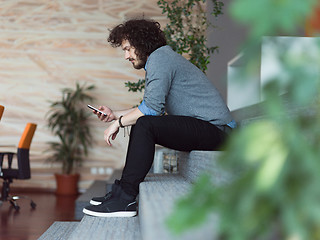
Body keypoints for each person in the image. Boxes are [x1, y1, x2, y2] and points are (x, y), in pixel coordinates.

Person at [83, 18, 236, 218]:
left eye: (128, 49)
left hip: (219, 131)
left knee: (145, 124)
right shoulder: (161, 58)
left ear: (142, 43)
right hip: (207, 128)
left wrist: (118, 124)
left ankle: (125, 197)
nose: (126, 56)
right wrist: (114, 115)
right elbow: (149, 106)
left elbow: (151, 110)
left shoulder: (160, 59)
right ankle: (122, 194)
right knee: (145, 122)